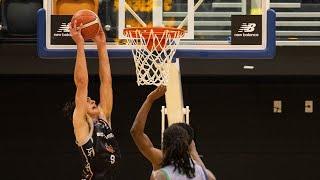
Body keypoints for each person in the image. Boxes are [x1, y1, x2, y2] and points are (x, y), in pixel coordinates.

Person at [63, 20, 120, 180]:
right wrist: (80, 44)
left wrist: (101, 45)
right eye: (88, 101)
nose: (93, 101)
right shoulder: (82, 123)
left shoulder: (103, 118)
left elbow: (106, 81)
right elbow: (82, 84)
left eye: (90, 100)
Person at [130, 85, 215, 180]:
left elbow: (135, 132)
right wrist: (193, 150)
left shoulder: (161, 161)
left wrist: (149, 100)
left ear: (165, 143)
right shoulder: (203, 171)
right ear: (190, 143)